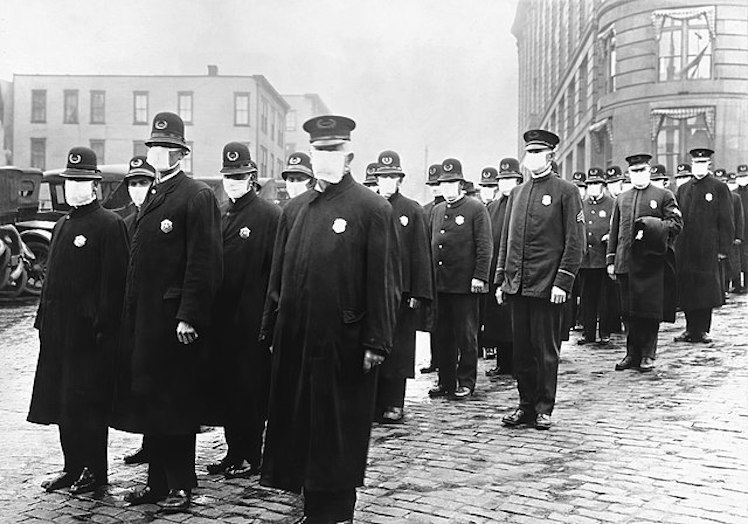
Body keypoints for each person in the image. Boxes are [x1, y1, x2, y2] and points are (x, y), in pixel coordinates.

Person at [259, 115, 400, 524]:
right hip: (298, 339)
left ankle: (336, 512)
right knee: (301, 424)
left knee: (337, 429)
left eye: (333, 151)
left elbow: (384, 281)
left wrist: (377, 341)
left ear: (349, 155)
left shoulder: (371, 209)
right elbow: (278, 277)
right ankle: (311, 506)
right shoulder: (295, 210)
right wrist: (271, 325)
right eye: (319, 151)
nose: (325, 158)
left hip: (343, 342)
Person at [112, 112, 222, 513]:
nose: (160, 153)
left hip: (175, 323)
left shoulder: (195, 196)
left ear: (181, 153)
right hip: (146, 322)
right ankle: (157, 482)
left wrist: (189, 314)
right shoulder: (155, 195)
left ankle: (180, 486)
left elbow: (204, 262)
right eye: (155, 148)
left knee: (176, 404)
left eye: (167, 148)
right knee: (153, 403)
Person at [28, 146, 129, 493]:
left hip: (90, 337)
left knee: (88, 406)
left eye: (81, 181)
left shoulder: (109, 225)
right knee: (63, 404)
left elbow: (115, 285)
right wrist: (43, 322)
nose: (74, 187)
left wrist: (104, 330)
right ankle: (72, 467)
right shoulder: (61, 225)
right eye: (71, 180)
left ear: (95, 185)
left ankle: (94, 472)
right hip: (59, 334)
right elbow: (51, 279)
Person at [496, 129, 584, 430]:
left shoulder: (566, 192)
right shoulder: (518, 193)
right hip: (518, 286)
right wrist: (501, 279)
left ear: (551, 156)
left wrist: (563, 281)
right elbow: (507, 241)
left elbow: (575, 242)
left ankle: (545, 406)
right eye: (528, 152)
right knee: (521, 350)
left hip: (547, 287)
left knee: (545, 351)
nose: (531, 158)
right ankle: (525, 404)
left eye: (537, 153)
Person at [201, 142, 280, 479]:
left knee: (250, 390)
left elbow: (278, 272)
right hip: (221, 321)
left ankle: (251, 454)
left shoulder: (269, 216)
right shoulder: (218, 213)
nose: (233, 182)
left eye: (240, 176)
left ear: (252, 177)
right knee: (227, 389)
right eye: (228, 177)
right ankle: (233, 451)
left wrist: (270, 319)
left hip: (252, 320)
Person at [607, 154, 682, 372]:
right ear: (628, 174)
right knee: (628, 311)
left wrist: (654, 226)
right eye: (634, 171)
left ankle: (648, 353)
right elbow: (615, 230)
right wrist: (611, 259)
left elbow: (676, 224)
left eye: (642, 170)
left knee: (649, 310)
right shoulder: (622, 198)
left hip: (650, 263)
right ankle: (632, 353)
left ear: (649, 171)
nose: (638, 174)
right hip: (625, 262)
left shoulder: (663, 195)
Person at [374, 150, 433, 423]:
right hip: (374, 292)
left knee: (399, 349)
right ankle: (374, 402)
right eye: (382, 176)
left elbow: (421, 253)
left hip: (402, 293)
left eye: (391, 176)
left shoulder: (411, 210)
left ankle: (394, 403)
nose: (387, 181)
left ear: (400, 179)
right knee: (375, 346)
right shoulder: (370, 207)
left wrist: (419, 293)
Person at [428, 158, 492, 400]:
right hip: (441, 285)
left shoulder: (476, 209)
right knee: (442, 334)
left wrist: (479, 277)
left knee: (466, 335)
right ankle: (445, 380)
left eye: (452, 183)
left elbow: (484, 246)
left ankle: (466, 381)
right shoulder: (437, 211)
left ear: (461, 185)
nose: (447, 188)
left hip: (465, 286)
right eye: (443, 184)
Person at [674, 148, 734, 344]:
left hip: (708, 247)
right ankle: (690, 328)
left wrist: (723, 249)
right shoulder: (683, 189)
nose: (698, 166)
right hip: (687, 247)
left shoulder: (718, 187)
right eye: (695, 163)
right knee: (688, 288)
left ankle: (702, 329)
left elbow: (726, 220)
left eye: (702, 163)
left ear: (709, 164)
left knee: (705, 289)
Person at [120, 156, 156, 467]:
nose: (137, 189)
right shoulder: (125, 224)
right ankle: (147, 443)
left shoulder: (159, 220)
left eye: (143, 182)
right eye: (133, 183)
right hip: (129, 311)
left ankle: (156, 446)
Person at [482, 160, 522, 377]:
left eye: (510, 179)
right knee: (497, 319)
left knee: (514, 320)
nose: (506, 183)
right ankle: (502, 362)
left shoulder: (522, 203)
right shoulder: (492, 207)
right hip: (494, 270)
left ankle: (517, 363)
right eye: (502, 179)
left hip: (514, 270)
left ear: (518, 180)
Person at [577, 168, 615, 345]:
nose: (593, 187)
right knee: (587, 298)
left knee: (604, 298)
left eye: (596, 184)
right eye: (590, 184)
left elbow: (616, 227)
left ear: (603, 186)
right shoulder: (581, 204)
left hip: (602, 257)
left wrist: (609, 236)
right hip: (586, 259)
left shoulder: (612, 204)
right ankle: (588, 332)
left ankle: (605, 332)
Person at [420, 163, 445, 375]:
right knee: (432, 321)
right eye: (432, 184)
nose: (436, 188)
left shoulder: (451, 207)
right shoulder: (425, 210)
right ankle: (435, 359)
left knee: (450, 324)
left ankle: (449, 361)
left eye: (439, 184)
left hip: (449, 274)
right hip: (431, 273)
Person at [733, 164, 748, 293]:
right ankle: (738, 284)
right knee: (738, 258)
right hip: (739, 228)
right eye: (740, 176)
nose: (742, 178)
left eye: (745, 176)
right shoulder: (734, 194)